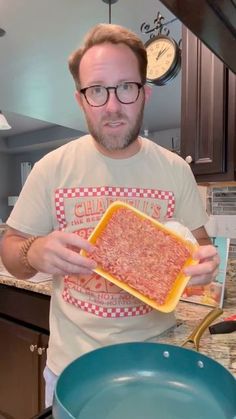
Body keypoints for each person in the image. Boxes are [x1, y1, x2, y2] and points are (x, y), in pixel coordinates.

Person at [1, 23, 220, 406]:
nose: (114, 106)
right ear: (81, 99)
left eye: (126, 88)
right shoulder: (51, 169)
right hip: (72, 370)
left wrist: (204, 268)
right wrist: (33, 252)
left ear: (145, 93)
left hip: (156, 365)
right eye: (97, 91)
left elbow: (199, 248)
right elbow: (11, 251)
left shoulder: (175, 170)